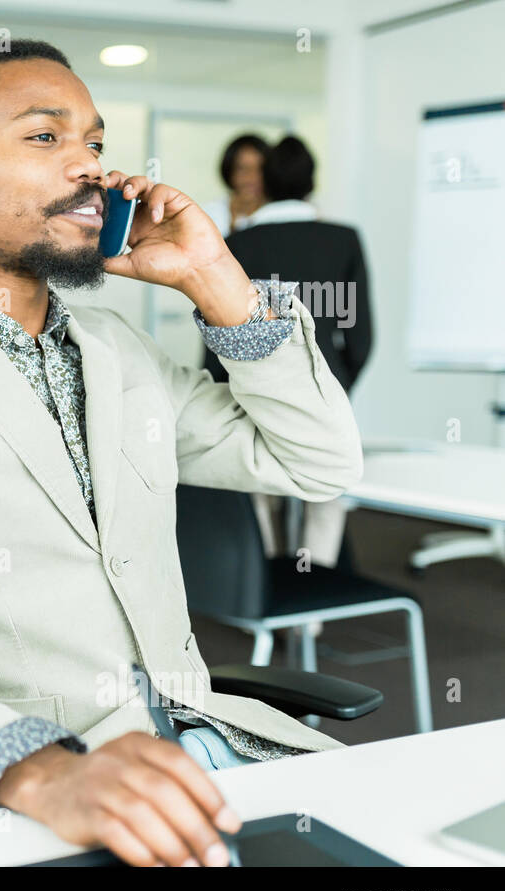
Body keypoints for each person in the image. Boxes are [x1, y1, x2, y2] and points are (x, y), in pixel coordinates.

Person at [0, 40, 362, 867]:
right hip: (56, 798)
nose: (88, 167)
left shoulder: (118, 350)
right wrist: (41, 776)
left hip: (223, 756)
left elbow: (317, 464)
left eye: (95, 143)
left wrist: (216, 279)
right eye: (45, 138)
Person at [203, 135, 374, 596]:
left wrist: (224, 387)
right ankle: (310, 606)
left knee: (262, 486)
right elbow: (359, 334)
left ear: (266, 183)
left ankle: (267, 588)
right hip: (326, 384)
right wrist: (339, 382)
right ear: (310, 182)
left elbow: (219, 327)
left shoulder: (237, 242)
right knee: (327, 491)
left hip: (256, 387)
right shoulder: (343, 239)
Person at [200, 133, 269, 236]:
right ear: (229, 171)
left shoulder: (277, 214)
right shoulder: (208, 214)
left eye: (260, 169)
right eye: (243, 169)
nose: (252, 177)